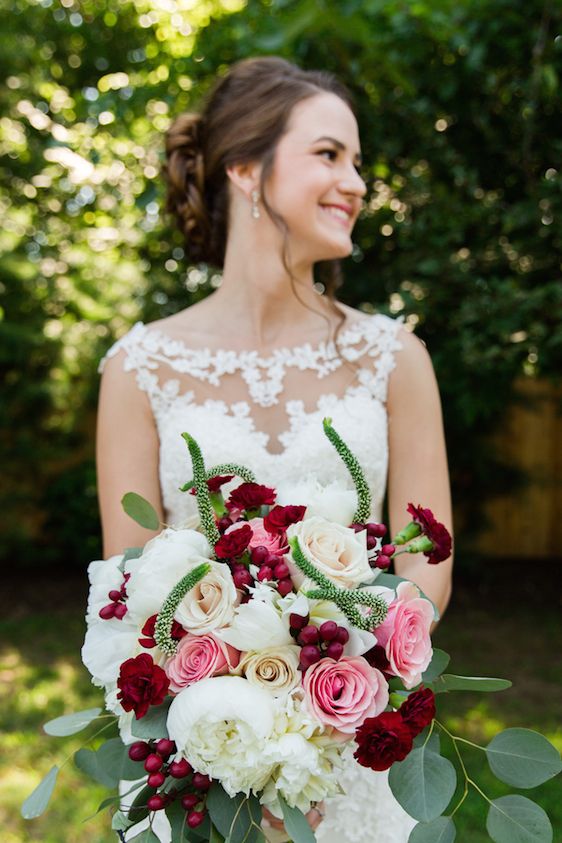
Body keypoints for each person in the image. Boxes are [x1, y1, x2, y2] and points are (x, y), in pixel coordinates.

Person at [97, 56, 453, 843]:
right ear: (247, 170)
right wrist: (235, 725)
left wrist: (330, 699)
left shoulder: (395, 358)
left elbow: (425, 560)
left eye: (357, 161)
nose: (356, 181)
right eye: (329, 155)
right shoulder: (139, 367)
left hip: (352, 743)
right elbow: (131, 576)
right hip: (198, 754)